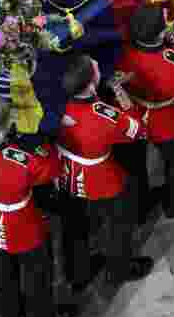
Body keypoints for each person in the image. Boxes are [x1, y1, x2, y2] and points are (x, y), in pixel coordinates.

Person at [0, 96, 78, 317]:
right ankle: (39, 315)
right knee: (37, 271)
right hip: (22, 224)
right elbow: (51, 169)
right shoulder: (24, 159)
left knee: (3, 269)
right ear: (4, 129)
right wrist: (38, 146)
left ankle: (9, 314)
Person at [56, 54, 155, 292]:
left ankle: (78, 272)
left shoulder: (57, 107)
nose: (100, 66)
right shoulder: (103, 115)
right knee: (117, 225)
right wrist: (123, 97)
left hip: (67, 174)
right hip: (100, 178)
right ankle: (120, 268)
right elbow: (138, 130)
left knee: (76, 226)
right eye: (96, 67)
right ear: (91, 83)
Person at [113, 4, 174, 221]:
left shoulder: (124, 52)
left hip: (135, 110)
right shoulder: (169, 62)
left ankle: (143, 206)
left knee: (137, 167)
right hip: (166, 117)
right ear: (159, 33)